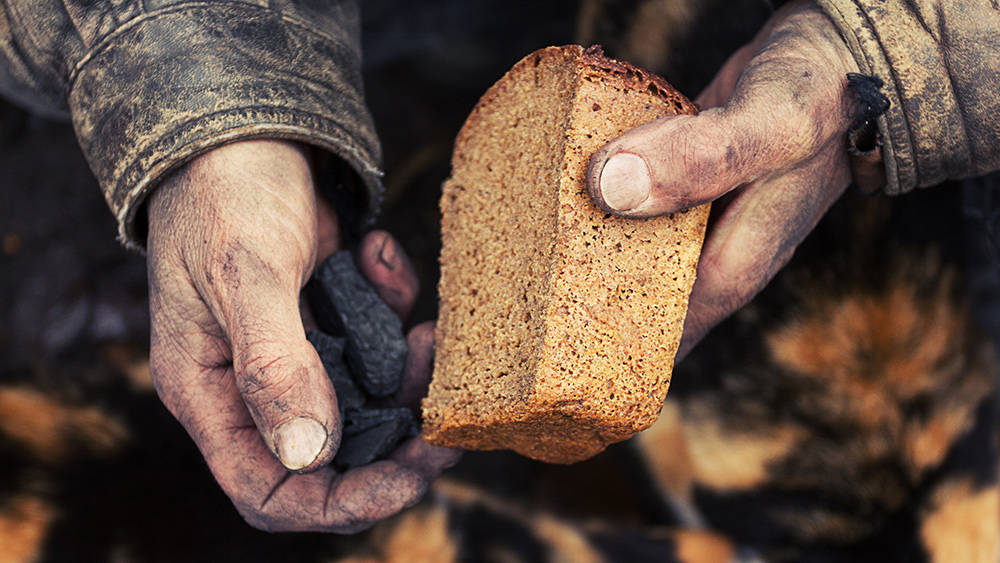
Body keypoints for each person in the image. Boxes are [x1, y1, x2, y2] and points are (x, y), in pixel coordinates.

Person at [1, 0, 997, 533]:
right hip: (378, 47)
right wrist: (214, 113)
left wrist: (908, 48)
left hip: (892, 191)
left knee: (830, 466)